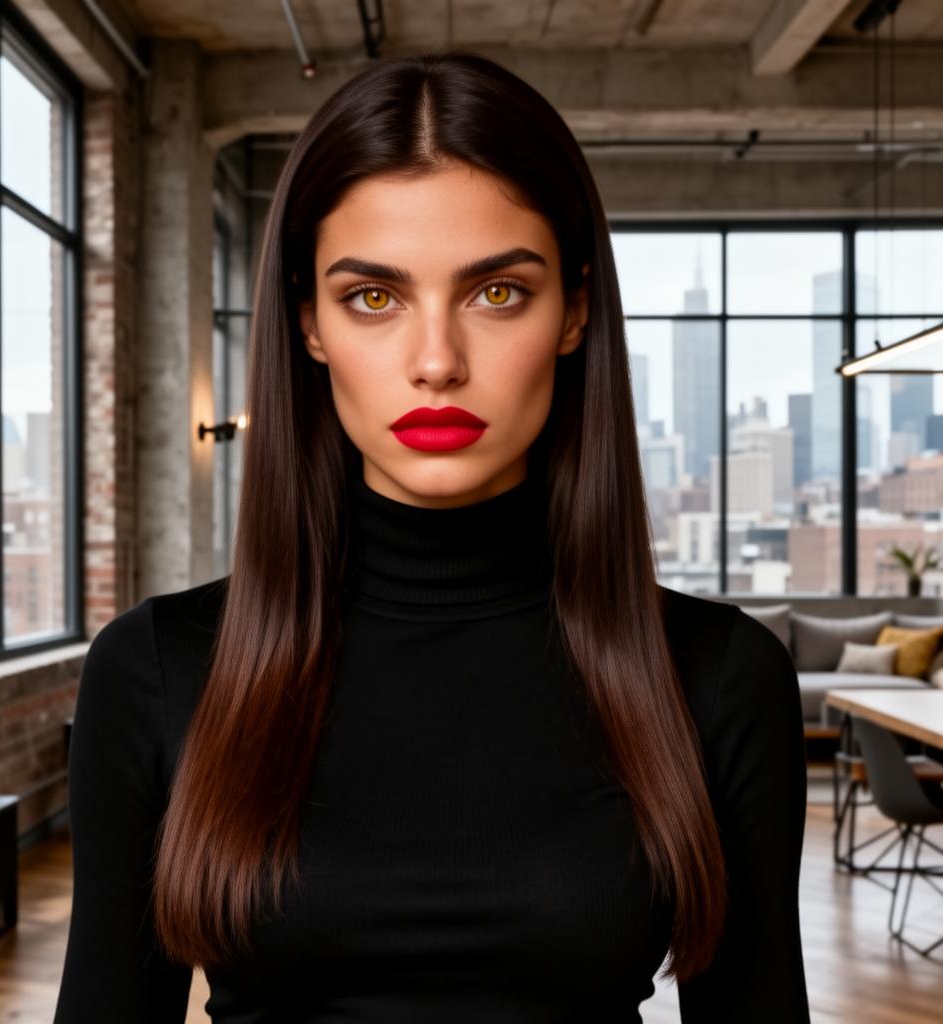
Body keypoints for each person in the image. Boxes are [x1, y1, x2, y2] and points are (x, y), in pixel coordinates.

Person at [54, 50, 810, 1023]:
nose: (437, 361)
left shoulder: (716, 676)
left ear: (574, 308)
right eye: (373, 297)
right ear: (309, 323)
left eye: (497, 293)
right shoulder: (156, 670)